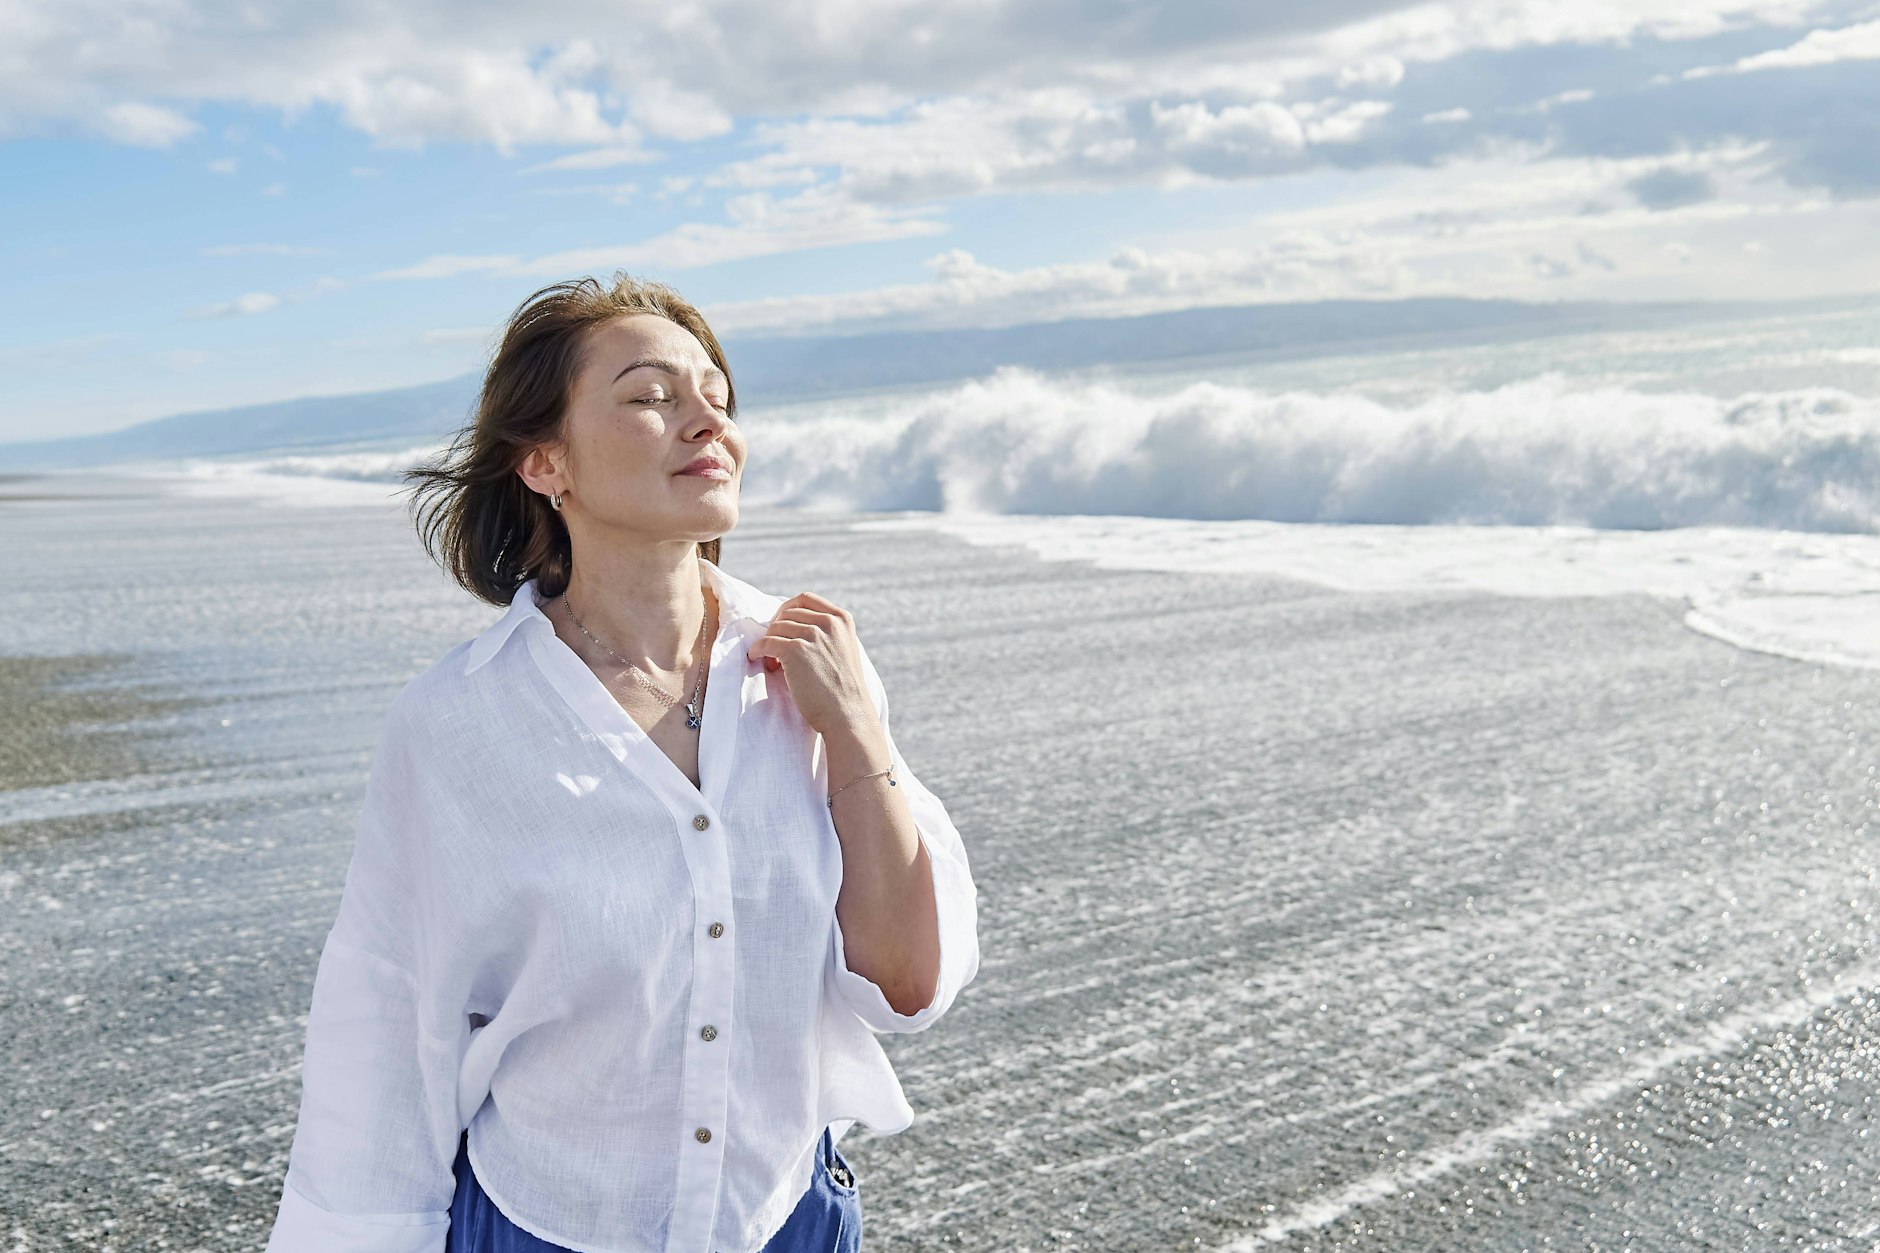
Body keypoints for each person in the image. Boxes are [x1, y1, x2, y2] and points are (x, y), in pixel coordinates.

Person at [261, 272, 981, 1253]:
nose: (704, 421)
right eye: (651, 397)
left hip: (788, 1221)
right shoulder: (459, 723)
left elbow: (904, 982)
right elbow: (389, 1022)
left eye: (717, 399)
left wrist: (856, 732)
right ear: (545, 462)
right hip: (544, 1221)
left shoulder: (815, 670)